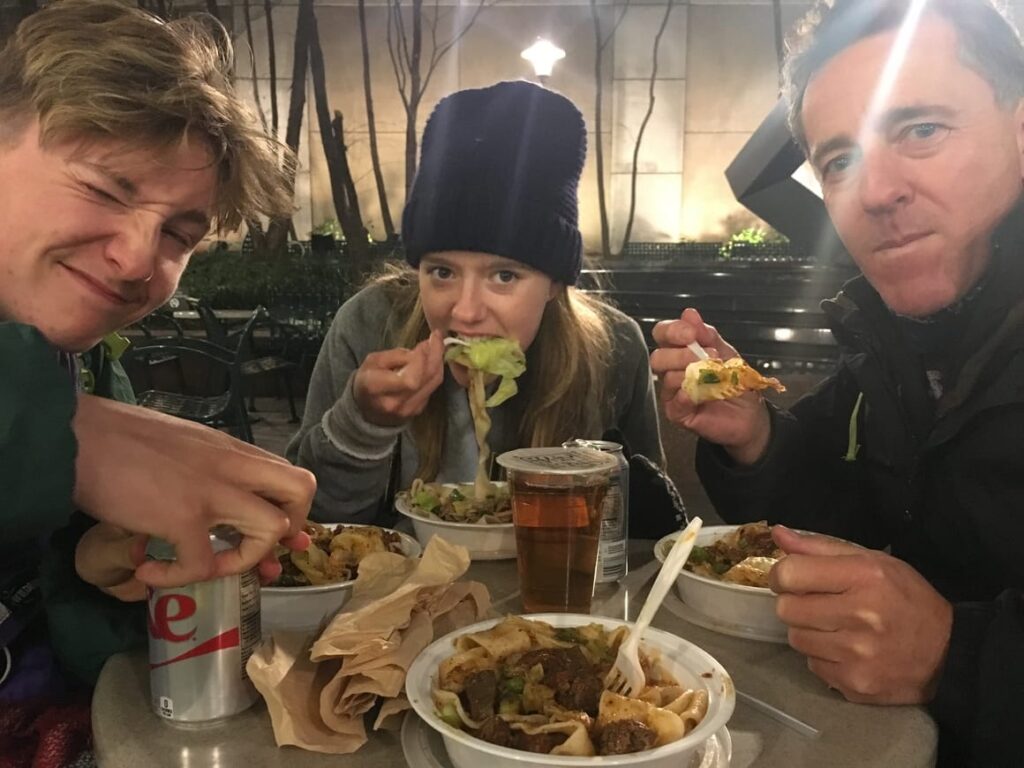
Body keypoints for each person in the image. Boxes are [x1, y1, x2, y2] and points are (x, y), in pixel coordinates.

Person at [651, 0, 1024, 764]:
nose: (875, 190)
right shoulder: (884, 347)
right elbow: (838, 523)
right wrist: (753, 436)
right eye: (839, 161)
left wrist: (961, 655)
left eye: (921, 129)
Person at [0, 0, 316, 695]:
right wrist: (59, 435)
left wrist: (86, 569)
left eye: (179, 234)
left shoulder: (87, 363)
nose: (138, 260)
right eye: (105, 188)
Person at [288, 80, 669, 528]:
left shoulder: (615, 349)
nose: (465, 312)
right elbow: (311, 527)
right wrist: (362, 425)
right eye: (442, 272)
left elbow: (646, 529)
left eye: (504, 276)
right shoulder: (369, 325)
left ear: (553, 284)